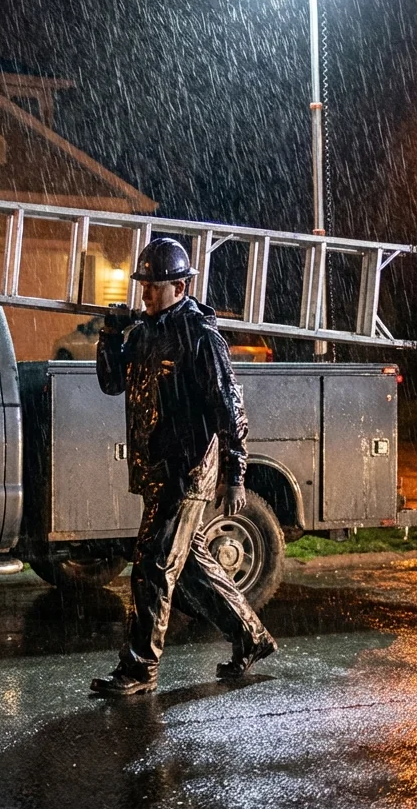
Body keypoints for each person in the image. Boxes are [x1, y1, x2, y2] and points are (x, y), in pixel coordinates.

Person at [90, 237, 277, 696]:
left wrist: (236, 475)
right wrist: (109, 336)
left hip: (187, 471)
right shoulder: (145, 333)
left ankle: (139, 669)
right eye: (144, 286)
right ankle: (252, 638)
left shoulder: (201, 337)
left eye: (154, 286)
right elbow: (112, 384)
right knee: (190, 566)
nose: (146, 294)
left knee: (152, 565)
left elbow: (229, 410)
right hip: (156, 469)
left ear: (181, 285)